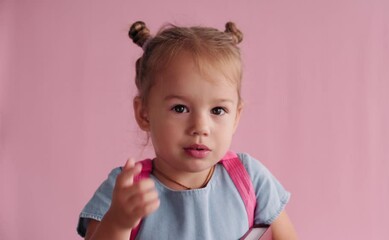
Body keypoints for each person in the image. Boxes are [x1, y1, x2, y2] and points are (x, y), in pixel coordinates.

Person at [77, 20, 298, 240]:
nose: (200, 127)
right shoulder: (127, 189)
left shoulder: (249, 178)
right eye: (180, 108)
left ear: (236, 117)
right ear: (144, 113)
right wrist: (118, 222)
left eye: (218, 110)